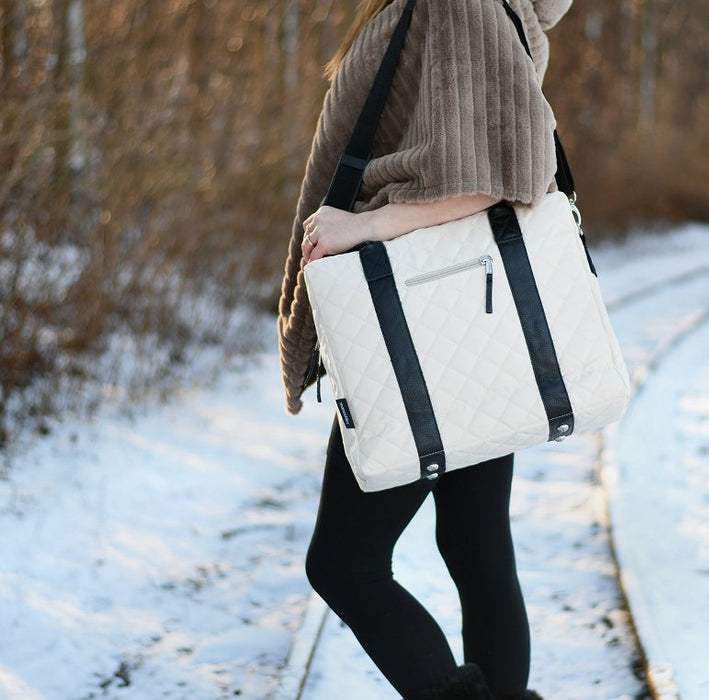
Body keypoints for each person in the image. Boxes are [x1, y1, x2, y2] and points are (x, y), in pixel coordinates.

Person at [277, 0, 573, 697]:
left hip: (426, 322)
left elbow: (504, 175)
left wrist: (367, 224)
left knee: (344, 564)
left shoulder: (457, 4)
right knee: (473, 546)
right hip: (462, 313)